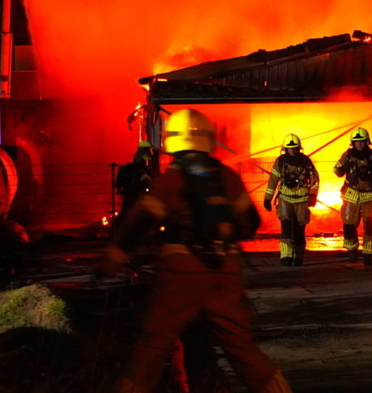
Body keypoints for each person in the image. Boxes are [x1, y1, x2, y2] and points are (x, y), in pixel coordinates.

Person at [103, 108, 292, 393]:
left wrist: (113, 258)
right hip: (225, 269)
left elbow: (139, 222)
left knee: (155, 342)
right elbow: (250, 223)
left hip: (182, 271)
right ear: (207, 139)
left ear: (172, 141)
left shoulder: (169, 181)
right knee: (240, 346)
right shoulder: (226, 176)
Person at [333, 127, 372, 266]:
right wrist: (344, 166)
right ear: (352, 143)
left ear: (367, 142)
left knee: (370, 225)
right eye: (357, 142)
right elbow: (337, 171)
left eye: (362, 141)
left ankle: (368, 254)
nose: (359, 144)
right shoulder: (347, 155)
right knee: (349, 224)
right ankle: (352, 249)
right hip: (351, 195)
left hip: (370, 195)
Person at [263, 134, 320, 267]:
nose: (292, 151)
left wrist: (312, 195)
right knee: (286, 228)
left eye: (295, 148)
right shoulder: (280, 162)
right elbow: (273, 180)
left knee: (300, 230)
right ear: (285, 149)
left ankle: (299, 256)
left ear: (299, 148)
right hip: (285, 199)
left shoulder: (306, 162)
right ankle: (286, 256)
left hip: (302, 200)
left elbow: (315, 180)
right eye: (290, 148)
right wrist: (267, 198)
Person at [114, 140, 155, 219]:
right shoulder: (143, 156)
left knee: (127, 209)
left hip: (132, 189)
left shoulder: (138, 155)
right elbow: (143, 174)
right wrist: (151, 183)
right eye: (150, 149)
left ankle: (119, 227)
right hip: (136, 189)